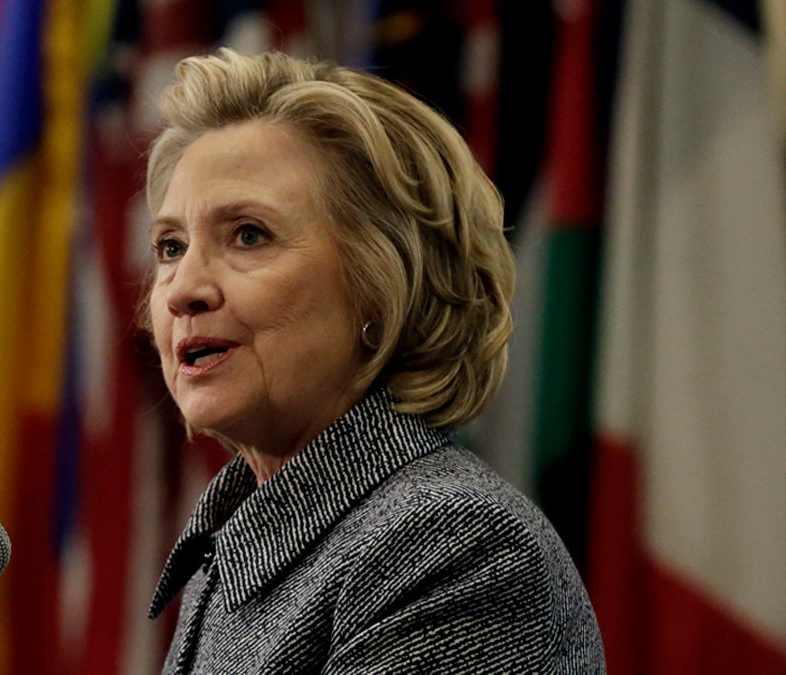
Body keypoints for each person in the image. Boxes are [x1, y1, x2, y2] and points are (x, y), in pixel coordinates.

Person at [141, 49, 605, 673]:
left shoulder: (449, 543)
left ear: (384, 287)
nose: (180, 289)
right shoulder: (236, 557)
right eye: (171, 246)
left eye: (249, 234)